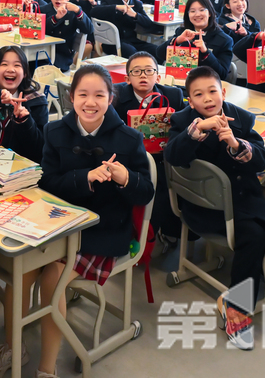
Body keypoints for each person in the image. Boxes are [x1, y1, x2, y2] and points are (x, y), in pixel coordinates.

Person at [30, 64, 153, 378]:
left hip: (104, 231)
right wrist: (83, 177)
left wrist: (126, 178)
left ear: (111, 98)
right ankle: (8, 346)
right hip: (59, 224)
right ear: (71, 97)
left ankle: (46, 369)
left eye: (99, 94)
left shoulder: (128, 138)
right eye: (83, 94)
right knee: (22, 268)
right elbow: (46, 183)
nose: (90, 102)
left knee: (51, 280)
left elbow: (146, 193)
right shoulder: (54, 130)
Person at [165, 66, 265, 350]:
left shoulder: (240, 118)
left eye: (213, 91)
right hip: (205, 207)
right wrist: (197, 130)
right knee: (253, 238)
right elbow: (172, 156)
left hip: (245, 201)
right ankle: (236, 309)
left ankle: (263, 274)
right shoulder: (182, 121)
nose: (208, 98)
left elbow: (262, 159)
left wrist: (237, 144)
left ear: (223, 92)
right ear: (190, 100)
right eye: (198, 94)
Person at [111, 51, 184, 241]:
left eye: (149, 71)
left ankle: (167, 232)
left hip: (164, 158)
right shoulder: (116, 97)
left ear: (158, 76)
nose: (143, 75)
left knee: (170, 185)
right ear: (127, 78)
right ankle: (143, 236)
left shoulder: (174, 95)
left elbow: (184, 124)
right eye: (136, 71)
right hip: (130, 159)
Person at [157, 0, 233, 81]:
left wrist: (205, 52)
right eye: (192, 11)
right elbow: (159, 54)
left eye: (202, 10)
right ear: (187, 15)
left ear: (210, 13)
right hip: (180, 82)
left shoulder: (224, 40)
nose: (197, 14)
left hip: (205, 85)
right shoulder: (182, 32)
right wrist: (177, 40)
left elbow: (222, 74)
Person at [89, 0, 158, 58]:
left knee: (156, 50)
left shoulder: (137, 4)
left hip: (132, 41)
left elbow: (149, 24)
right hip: (112, 43)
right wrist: (116, 7)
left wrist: (135, 14)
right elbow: (94, 11)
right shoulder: (109, 1)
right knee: (132, 53)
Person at [40, 0, 93, 71]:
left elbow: (89, 29)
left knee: (47, 67)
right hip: (41, 50)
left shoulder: (73, 11)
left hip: (62, 54)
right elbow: (40, 30)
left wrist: (78, 11)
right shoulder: (43, 9)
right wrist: (55, 18)